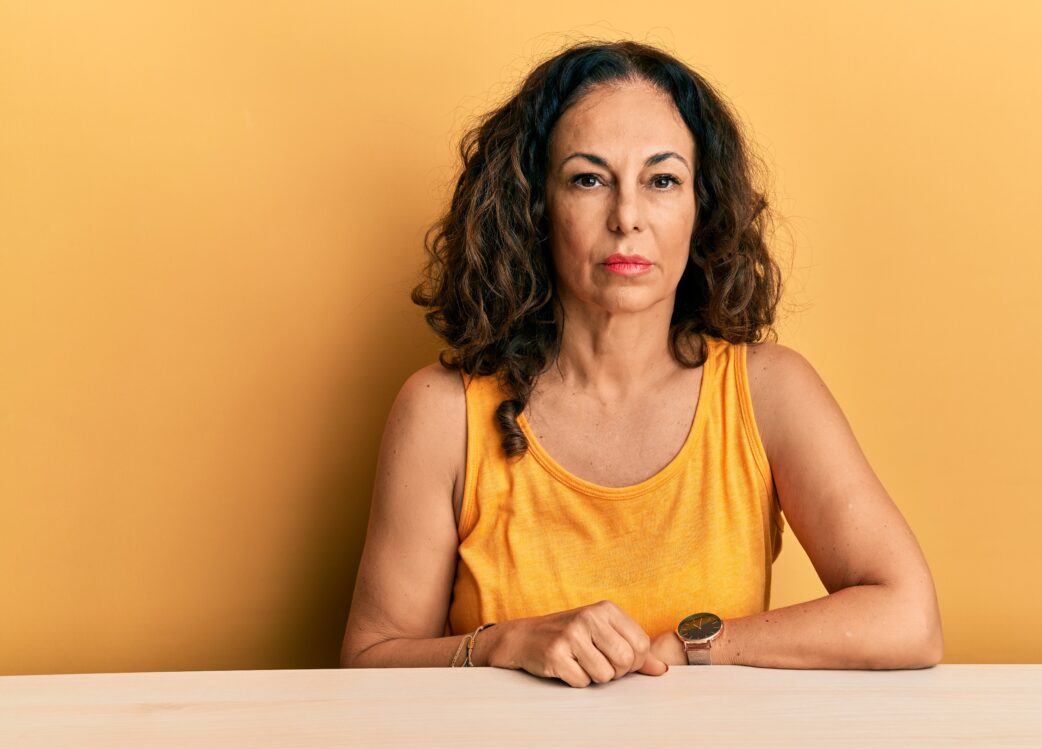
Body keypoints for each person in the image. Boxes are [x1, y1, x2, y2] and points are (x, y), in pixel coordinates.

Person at [340, 39, 943, 688]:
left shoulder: (769, 392)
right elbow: (369, 660)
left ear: (699, 210)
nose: (627, 218)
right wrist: (505, 643)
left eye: (662, 180)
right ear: (535, 209)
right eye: (588, 179)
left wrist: (694, 647)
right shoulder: (440, 412)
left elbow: (908, 618)